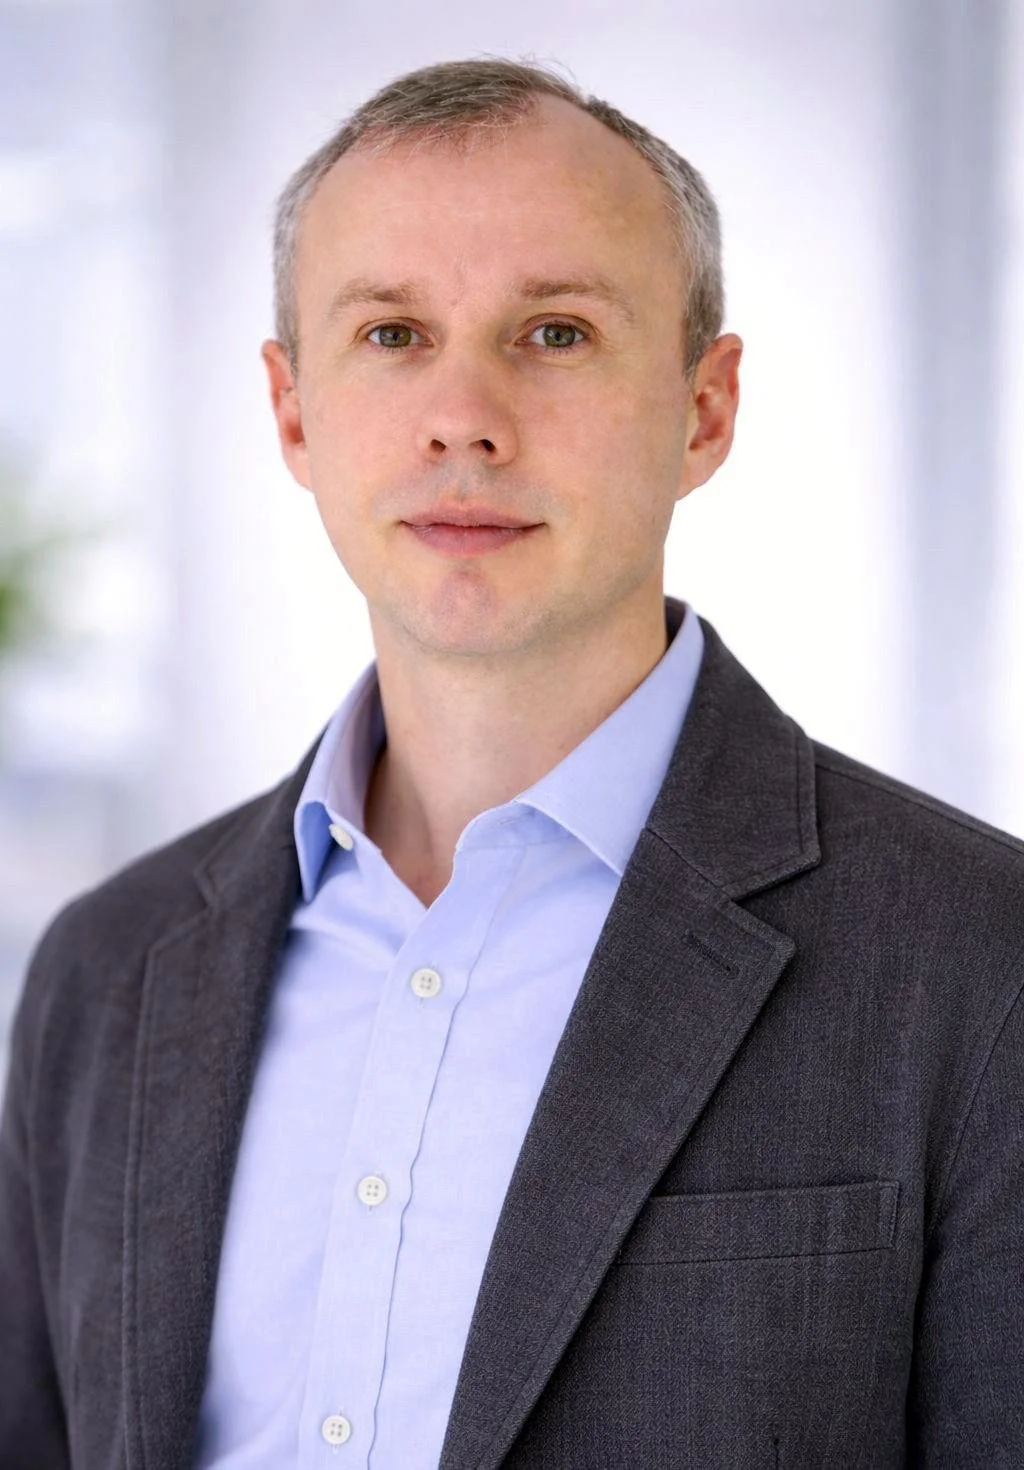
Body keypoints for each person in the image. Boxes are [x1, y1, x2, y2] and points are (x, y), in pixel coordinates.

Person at [1, 55, 1022, 1470]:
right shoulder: (104, 978)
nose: (464, 417)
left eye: (551, 333)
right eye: (392, 334)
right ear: (293, 412)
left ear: (703, 410)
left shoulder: (978, 963)